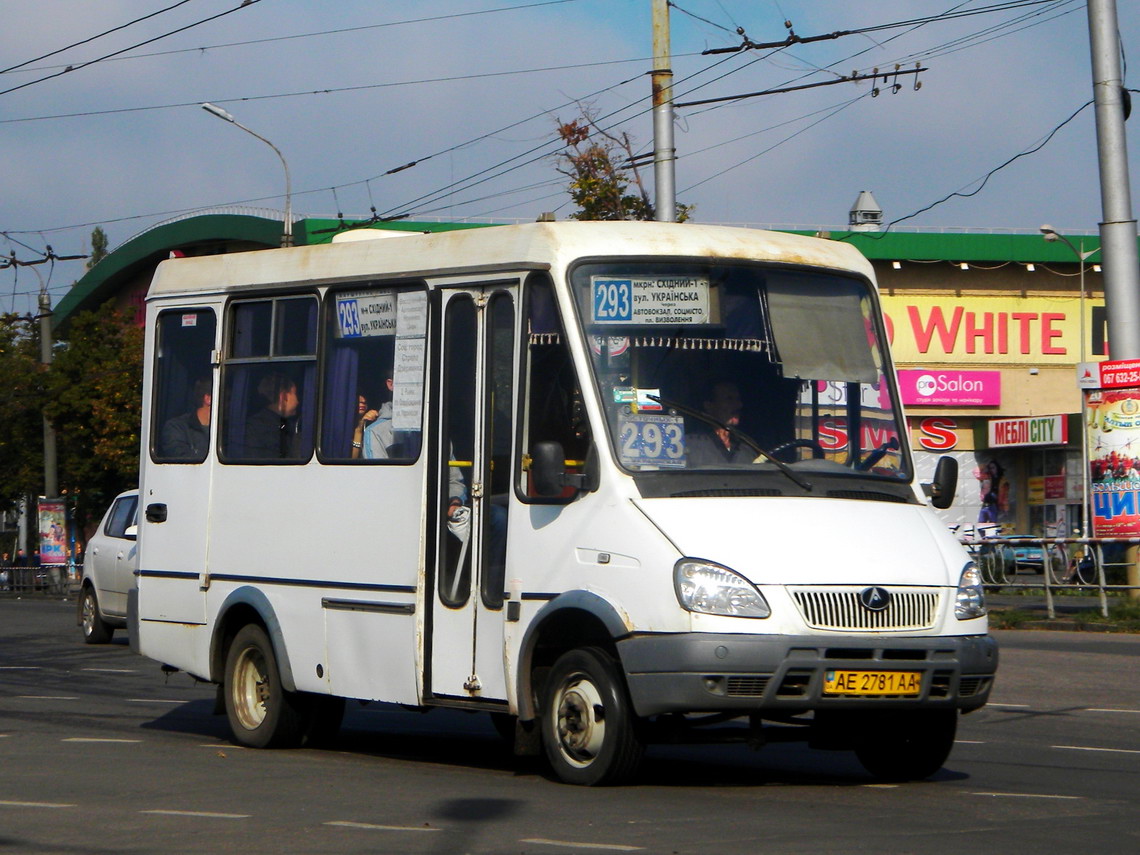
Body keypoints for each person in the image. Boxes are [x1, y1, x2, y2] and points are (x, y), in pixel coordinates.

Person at [686, 380, 758, 466]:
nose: (739, 405)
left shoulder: (748, 447)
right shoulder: (689, 445)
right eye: (729, 399)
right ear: (709, 406)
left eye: (738, 399)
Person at [244, 372, 301, 459]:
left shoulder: (286, 425)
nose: (297, 402)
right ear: (284, 396)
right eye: (295, 394)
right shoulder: (257, 427)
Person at [161, 379, 212, 460]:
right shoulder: (176, 428)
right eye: (226, 399)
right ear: (208, 399)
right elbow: (181, 459)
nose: (229, 405)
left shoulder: (224, 432)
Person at [350, 393, 380, 459]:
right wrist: (359, 430)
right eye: (357, 396)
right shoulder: (342, 424)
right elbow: (352, 459)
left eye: (365, 396)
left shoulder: (372, 422)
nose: (363, 400)